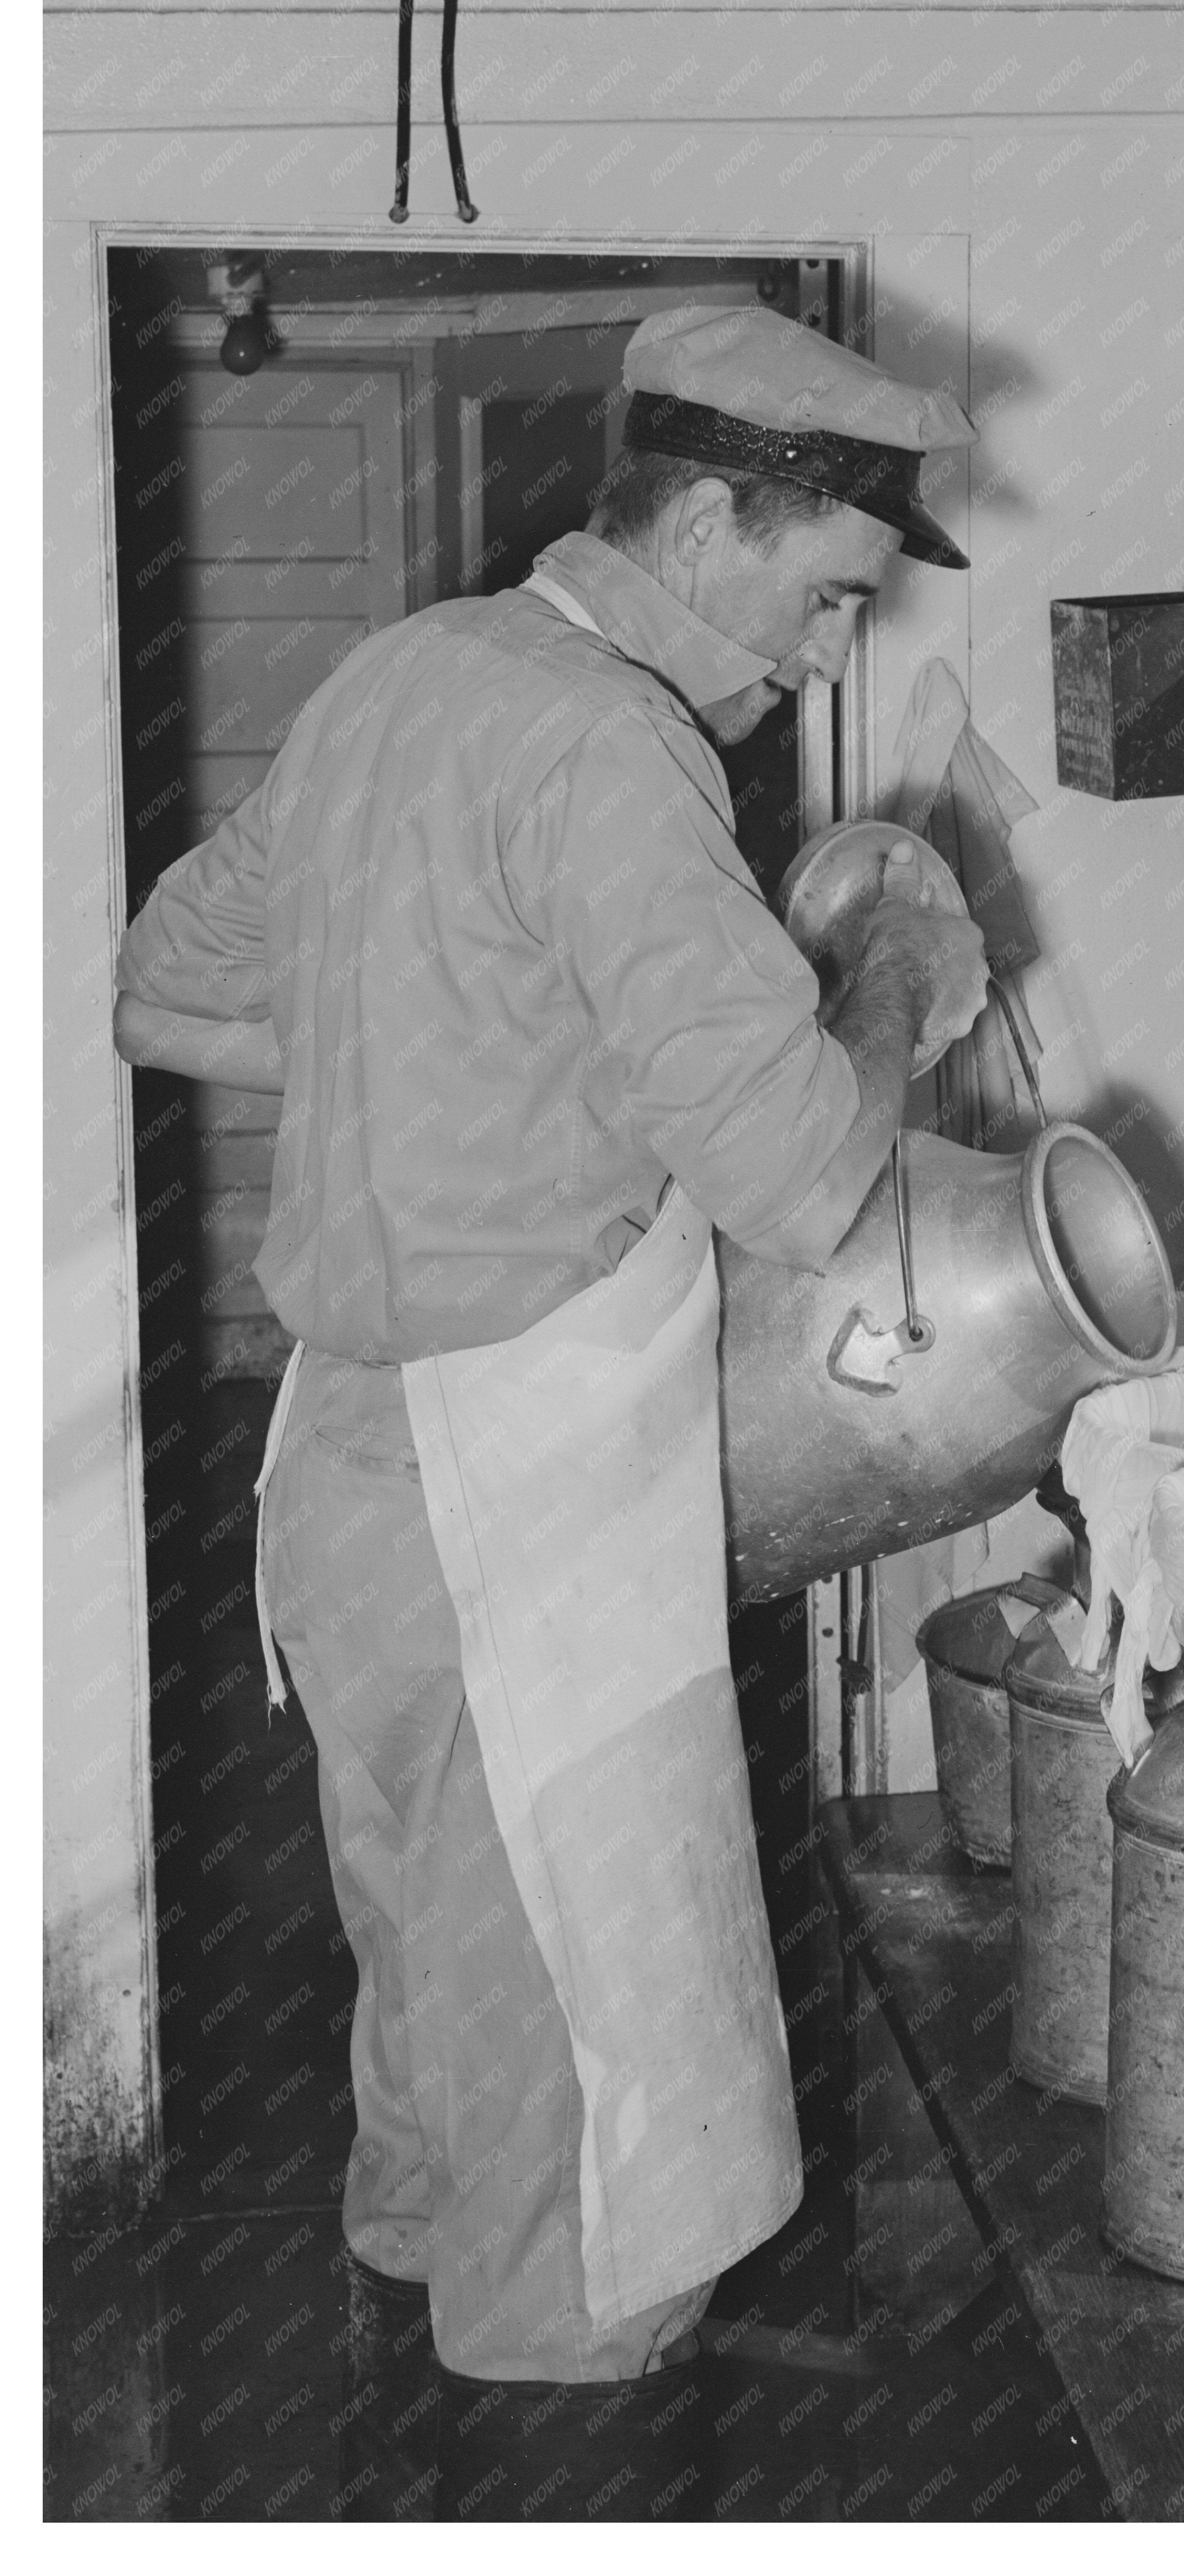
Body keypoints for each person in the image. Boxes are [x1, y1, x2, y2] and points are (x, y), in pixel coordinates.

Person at [113, 304, 989, 2518]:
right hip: (521, 1518)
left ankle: (387, 2501)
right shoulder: (615, 750)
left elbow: (170, 986)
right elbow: (802, 1179)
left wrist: (476, 1061)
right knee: (584, 2128)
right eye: (821, 591)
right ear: (705, 513)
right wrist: (893, 970)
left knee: (435, 2056)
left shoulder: (404, 676)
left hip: (343, 1483)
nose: (817, 650)